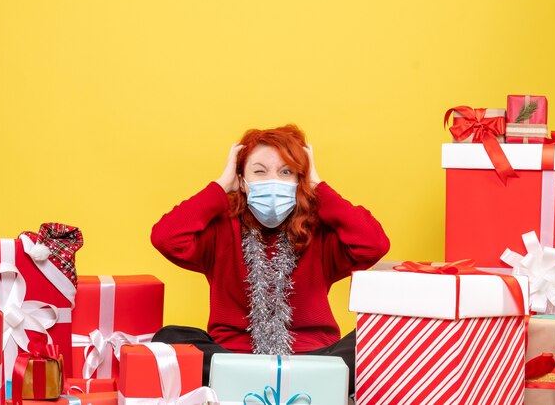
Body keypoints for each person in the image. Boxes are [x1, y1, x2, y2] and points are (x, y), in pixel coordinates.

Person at [150, 124, 390, 394]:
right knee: (168, 339)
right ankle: (289, 387)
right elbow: (165, 238)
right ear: (242, 180)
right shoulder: (221, 228)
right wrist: (221, 185)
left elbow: (374, 244)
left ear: (300, 180)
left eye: (286, 172)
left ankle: (256, 386)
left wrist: (317, 186)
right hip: (232, 357)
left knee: (373, 342)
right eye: (260, 172)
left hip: (313, 358)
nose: (273, 181)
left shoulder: (318, 230)